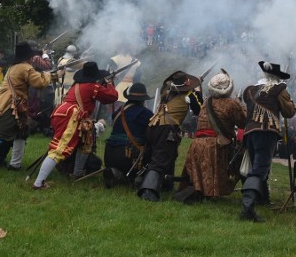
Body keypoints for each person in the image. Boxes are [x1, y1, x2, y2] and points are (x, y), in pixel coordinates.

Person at [0, 42, 60, 178]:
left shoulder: (17, 66)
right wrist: (48, 75)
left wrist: (51, 75)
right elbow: (39, 83)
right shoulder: (25, 67)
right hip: (7, 106)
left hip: (14, 106)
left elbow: (37, 79)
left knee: (22, 132)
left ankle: (15, 164)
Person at [32, 61, 118, 189]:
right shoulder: (92, 86)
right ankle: (39, 183)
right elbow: (112, 96)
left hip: (64, 113)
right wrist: (110, 83)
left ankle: (77, 173)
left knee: (84, 143)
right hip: (71, 117)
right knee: (58, 150)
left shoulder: (78, 84)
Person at [175, 70, 247, 203]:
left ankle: (199, 192)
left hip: (196, 144)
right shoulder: (231, 104)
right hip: (215, 144)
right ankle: (251, 195)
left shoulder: (206, 102)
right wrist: (240, 104)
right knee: (241, 160)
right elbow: (243, 122)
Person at [239, 61, 296, 222]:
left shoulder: (249, 90)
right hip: (266, 132)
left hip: (250, 133)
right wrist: (289, 100)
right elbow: (289, 112)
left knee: (259, 167)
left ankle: (263, 200)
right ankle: (247, 209)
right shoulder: (279, 89)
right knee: (259, 169)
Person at [137, 70, 202, 202]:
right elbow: (200, 109)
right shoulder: (190, 93)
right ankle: (148, 192)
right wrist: (198, 91)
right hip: (166, 128)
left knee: (168, 155)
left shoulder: (166, 89)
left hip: (153, 125)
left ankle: (166, 185)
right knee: (160, 160)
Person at [104, 83, 154, 188]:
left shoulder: (119, 111)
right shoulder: (145, 114)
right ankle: (138, 177)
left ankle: (115, 172)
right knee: (151, 148)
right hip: (126, 154)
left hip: (109, 154)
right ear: (142, 100)